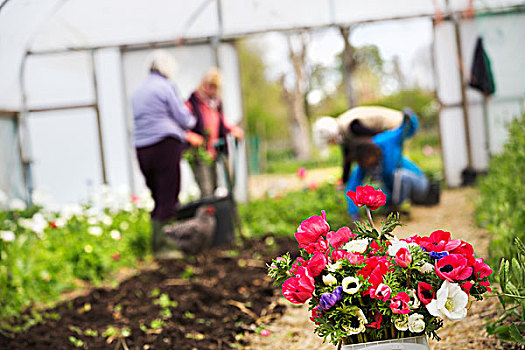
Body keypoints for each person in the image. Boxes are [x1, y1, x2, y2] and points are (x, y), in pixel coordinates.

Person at [131, 50, 204, 258]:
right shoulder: (165, 87)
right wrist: (192, 122)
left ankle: (155, 245)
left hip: (142, 147)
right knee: (169, 194)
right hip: (164, 144)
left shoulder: (138, 91)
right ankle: (166, 247)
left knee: (157, 196)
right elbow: (184, 118)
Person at [344, 108, 439, 220]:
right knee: (383, 188)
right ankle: (394, 209)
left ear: (371, 152)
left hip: (419, 184)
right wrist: (354, 214)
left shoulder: (385, 141)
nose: (367, 166)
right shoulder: (363, 163)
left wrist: (410, 117)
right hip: (399, 190)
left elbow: (407, 129)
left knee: (399, 175)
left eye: (366, 161)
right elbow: (352, 187)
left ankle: (398, 207)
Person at [185, 67, 244, 197]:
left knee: (217, 189)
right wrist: (191, 136)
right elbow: (180, 126)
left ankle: (216, 216)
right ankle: (206, 216)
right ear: (202, 83)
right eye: (208, 85)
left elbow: (221, 120)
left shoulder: (215, 103)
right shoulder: (192, 102)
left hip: (214, 152)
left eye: (214, 87)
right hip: (199, 152)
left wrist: (233, 129)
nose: (210, 89)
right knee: (206, 190)